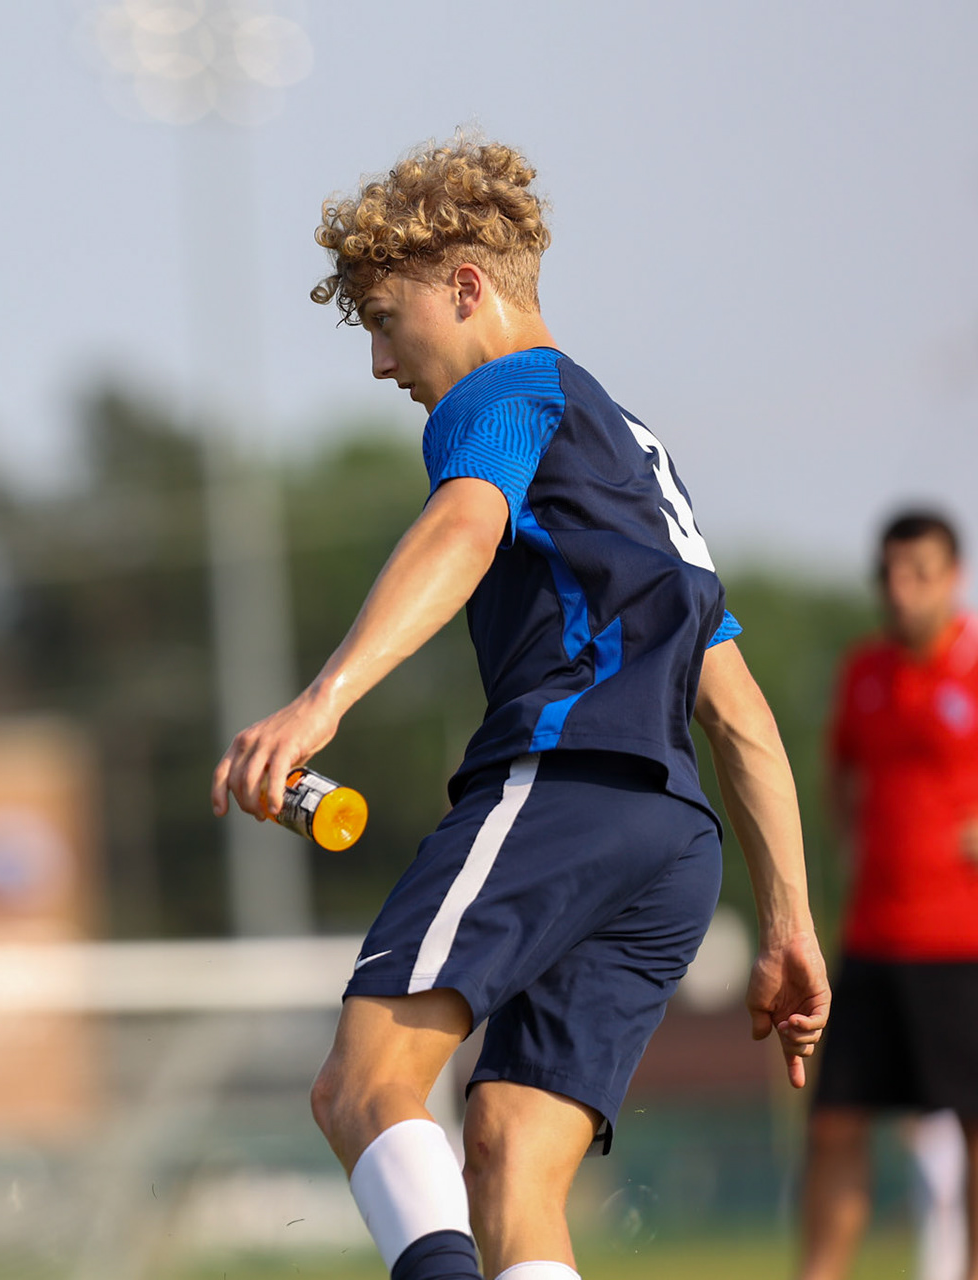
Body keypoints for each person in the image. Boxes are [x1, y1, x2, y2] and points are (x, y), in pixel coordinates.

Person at [210, 134, 829, 1280]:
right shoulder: (636, 451)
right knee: (506, 1155)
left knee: (362, 1082)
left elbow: (465, 523)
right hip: (676, 846)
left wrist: (320, 699)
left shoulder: (506, 391)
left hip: (565, 786)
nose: (384, 364)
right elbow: (735, 711)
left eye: (388, 321)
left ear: (466, 288)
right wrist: (789, 920)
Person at [801, 511, 978, 1280]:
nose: (901, 591)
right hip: (872, 938)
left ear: (954, 578)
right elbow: (838, 770)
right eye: (891, 574)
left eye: (920, 574)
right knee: (835, 1126)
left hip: (964, 944)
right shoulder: (863, 670)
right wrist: (853, 845)